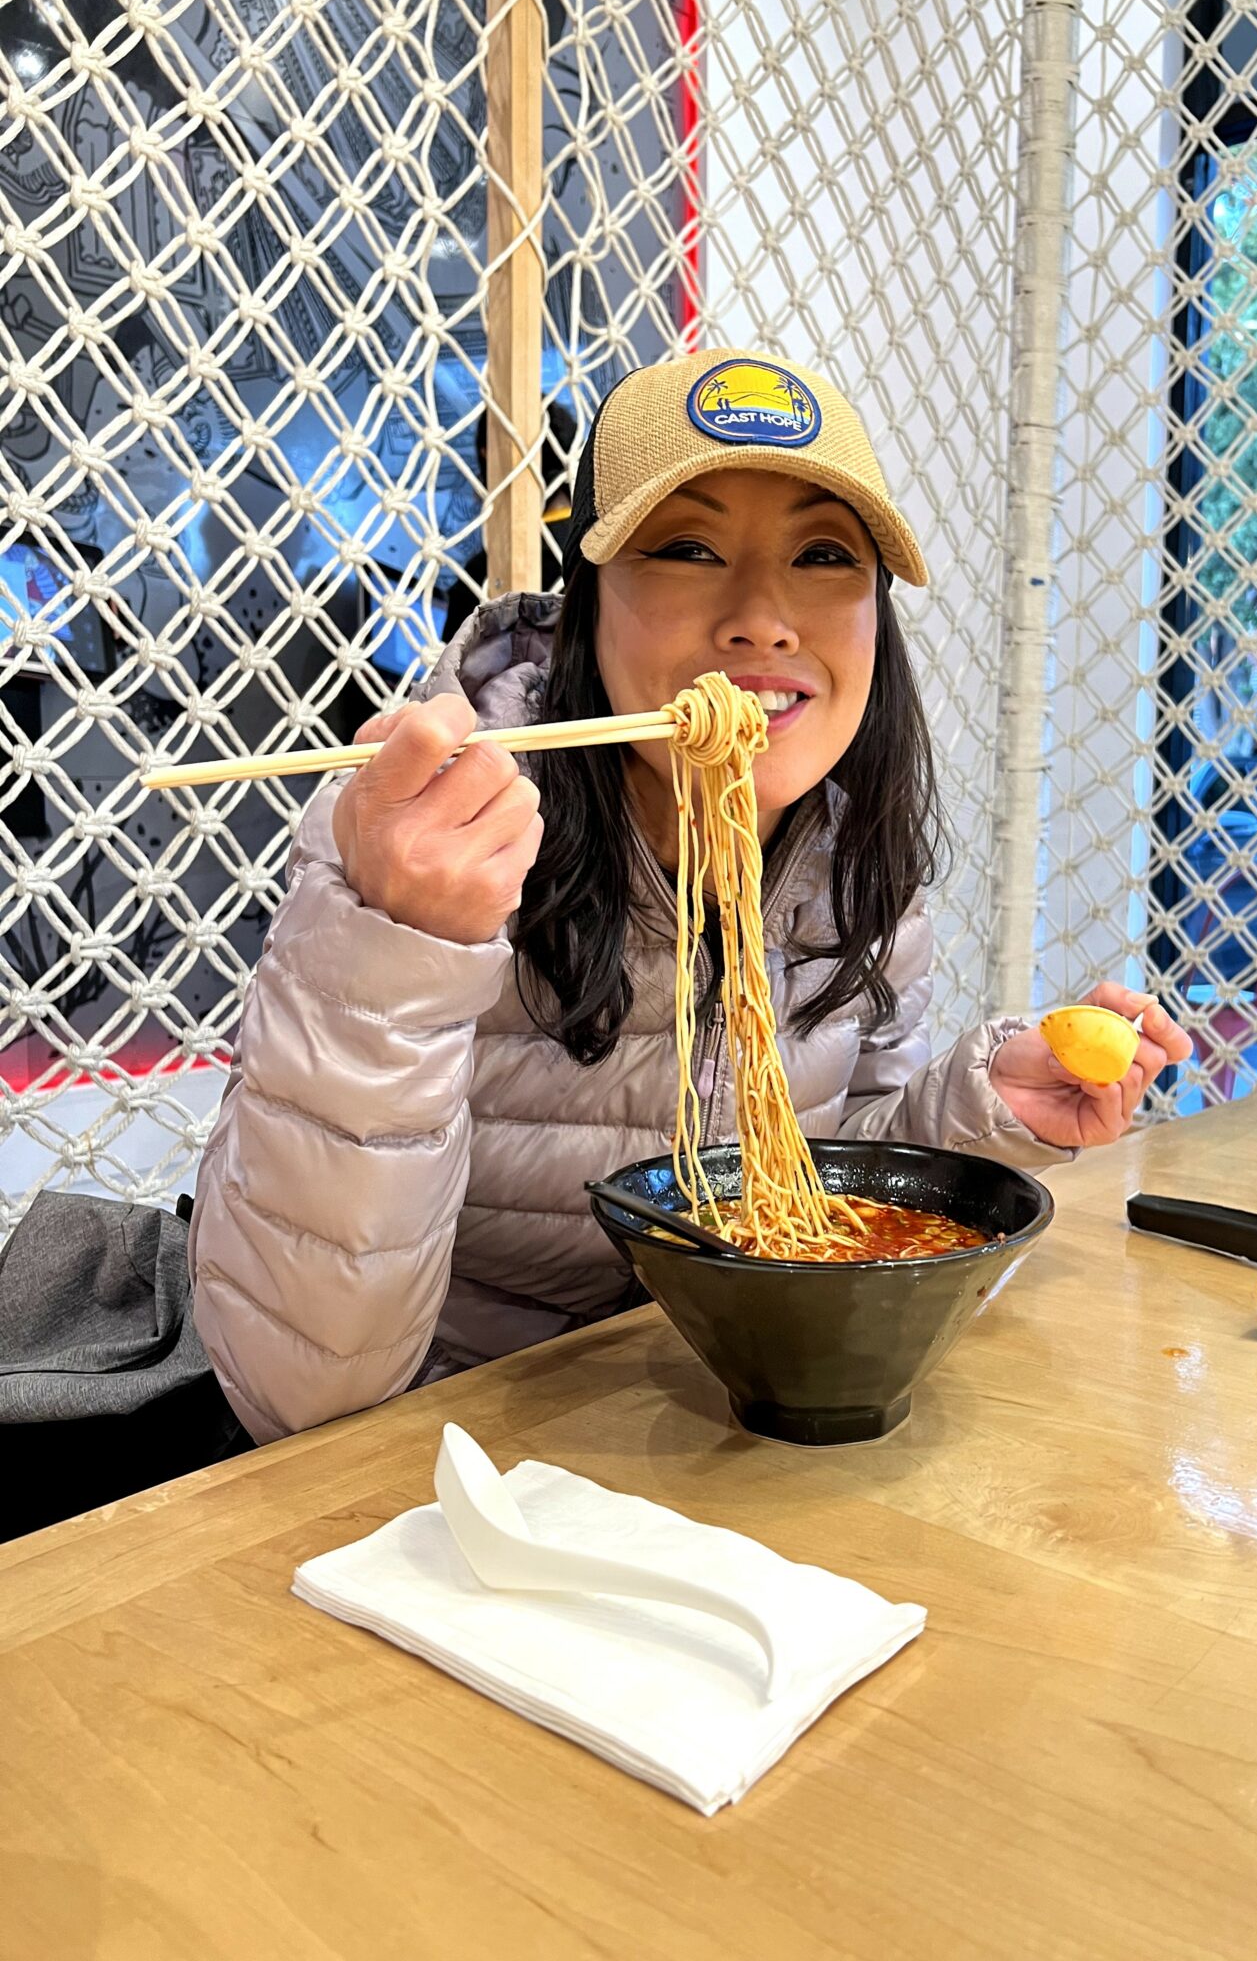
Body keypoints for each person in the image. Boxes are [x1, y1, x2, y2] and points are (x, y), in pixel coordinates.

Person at [190, 350, 1191, 1442]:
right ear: (588, 598)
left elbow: (814, 1189)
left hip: (718, 1431)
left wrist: (982, 1122)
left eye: (823, 554)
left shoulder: (854, 864)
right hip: (447, 1459)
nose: (764, 617)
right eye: (688, 546)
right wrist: (395, 943)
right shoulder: (426, 835)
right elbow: (299, 1402)